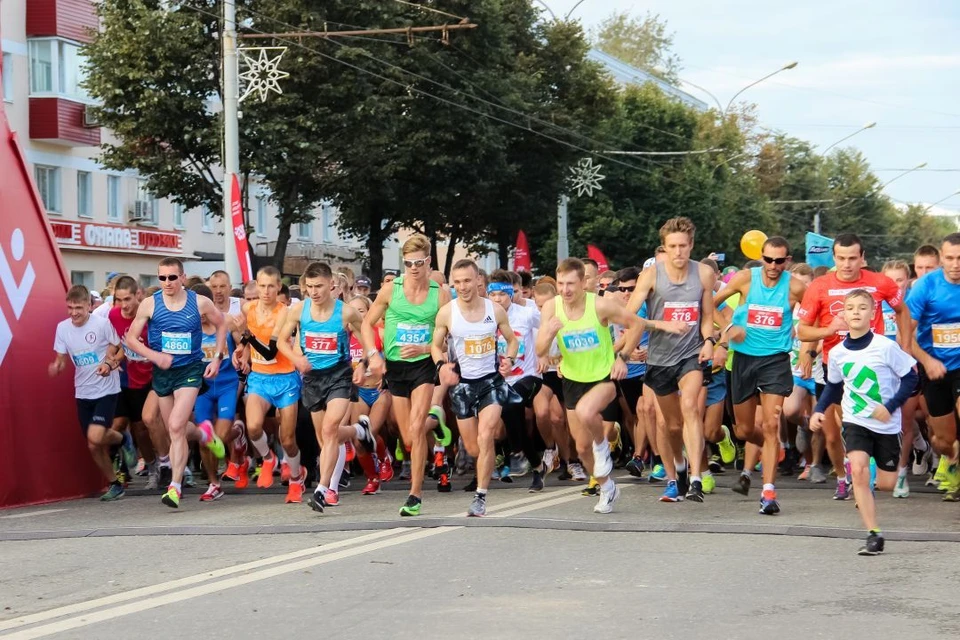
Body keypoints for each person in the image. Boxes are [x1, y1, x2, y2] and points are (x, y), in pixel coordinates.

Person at [797, 233, 911, 500]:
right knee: (836, 432)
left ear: (862, 258)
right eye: (841, 258)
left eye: (852, 258)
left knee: (860, 422)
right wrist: (829, 329)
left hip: (874, 366)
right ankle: (843, 474)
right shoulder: (819, 286)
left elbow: (902, 311)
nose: (847, 264)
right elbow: (802, 331)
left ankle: (863, 472)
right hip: (835, 365)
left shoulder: (880, 283)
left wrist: (903, 348)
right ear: (833, 257)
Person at [537, 258, 647, 514]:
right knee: (581, 447)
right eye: (561, 284)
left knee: (588, 413)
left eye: (571, 284)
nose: (565, 290)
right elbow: (540, 351)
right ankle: (608, 488)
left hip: (603, 377)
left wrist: (623, 356)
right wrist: (549, 334)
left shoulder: (599, 305)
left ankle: (602, 445)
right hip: (573, 380)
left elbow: (637, 324)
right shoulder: (552, 308)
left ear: (583, 283)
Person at [811, 289, 917, 555]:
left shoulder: (885, 347)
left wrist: (891, 406)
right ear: (843, 315)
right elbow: (833, 386)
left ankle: (870, 466)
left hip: (887, 425)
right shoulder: (836, 354)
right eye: (850, 308)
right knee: (857, 471)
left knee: (886, 485)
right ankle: (873, 534)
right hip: (856, 420)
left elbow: (912, 378)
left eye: (862, 308)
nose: (855, 312)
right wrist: (819, 409)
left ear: (873, 314)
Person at [715, 237, 810, 514]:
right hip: (743, 359)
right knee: (744, 430)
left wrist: (806, 347)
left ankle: (768, 492)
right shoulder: (745, 279)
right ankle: (770, 446)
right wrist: (729, 327)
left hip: (775, 361)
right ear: (761, 257)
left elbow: (815, 315)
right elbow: (712, 304)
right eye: (768, 259)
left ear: (787, 261)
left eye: (779, 261)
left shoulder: (795, 287)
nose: (772, 266)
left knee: (770, 424)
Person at [124, 258, 227, 508]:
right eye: (162, 278)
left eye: (172, 277)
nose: (167, 283)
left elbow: (221, 323)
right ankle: (204, 432)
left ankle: (175, 486)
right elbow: (131, 339)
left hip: (190, 369)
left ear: (182, 277)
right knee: (176, 431)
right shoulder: (150, 304)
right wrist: (155, 356)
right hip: (163, 372)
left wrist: (218, 357)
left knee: (176, 423)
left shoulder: (199, 302)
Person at [628, 216, 716, 503]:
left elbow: (707, 317)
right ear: (664, 248)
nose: (678, 252)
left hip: (690, 354)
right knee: (672, 424)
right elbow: (630, 316)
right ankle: (678, 467)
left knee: (690, 407)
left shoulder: (703, 274)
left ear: (691, 245)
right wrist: (660, 325)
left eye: (683, 246)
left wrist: (708, 341)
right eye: (672, 246)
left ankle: (695, 478)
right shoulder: (652, 275)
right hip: (660, 358)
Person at [362, 235, 452, 516]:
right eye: (408, 263)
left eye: (419, 262)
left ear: (428, 262)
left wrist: (426, 346)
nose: (413, 268)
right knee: (409, 438)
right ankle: (435, 422)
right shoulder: (391, 290)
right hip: (395, 368)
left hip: (424, 366)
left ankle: (415, 495)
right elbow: (366, 324)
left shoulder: (440, 294)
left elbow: (448, 340)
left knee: (414, 429)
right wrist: (374, 356)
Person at [276, 262, 375, 511]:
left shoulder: (346, 313)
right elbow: (280, 341)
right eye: (309, 287)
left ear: (331, 285)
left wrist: (363, 364)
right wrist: (297, 358)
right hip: (312, 379)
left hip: (339, 376)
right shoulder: (299, 310)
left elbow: (367, 340)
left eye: (319, 286)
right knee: (326, 437)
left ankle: (324, 489)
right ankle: (358, 432)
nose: (314, 292)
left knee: (330, 429)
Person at [432, 260, 519, 516]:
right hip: (462, 386)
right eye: (457, 282)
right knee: (472, 448)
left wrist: (510, 360)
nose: (462, 287)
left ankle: (480, 496)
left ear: (478, 281)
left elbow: (512, 341)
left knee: (485, 435)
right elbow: (436, 345)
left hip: (490, 381)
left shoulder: (495, 310)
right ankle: (495, 453)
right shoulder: (447, 312)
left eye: (467, 281)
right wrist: (441, 365)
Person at [50, 285, 135, 501]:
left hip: (106, 389)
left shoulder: (102, 324)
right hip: (83, 392)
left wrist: (110, 363)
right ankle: (115, 483)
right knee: (92, 444)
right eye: (70, 308)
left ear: (89, 306)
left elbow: (122, 347)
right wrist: (57, 365)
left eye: (78, 307)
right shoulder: (62, 328)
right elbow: (60, 357)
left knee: (95, 436)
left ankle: (122, 440)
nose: (74, 312)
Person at [233, 266, 303, 504]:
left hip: (285, 378)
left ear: (278, 288)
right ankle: (268, 458)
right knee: (253, 427)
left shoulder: (285, 313)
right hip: (260, 378)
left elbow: (270, 349)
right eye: (262, 286)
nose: (265, 291)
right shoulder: (248, 308)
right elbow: (249, 334)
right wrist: (241, 347)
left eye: (271, 286)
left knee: (288, 439)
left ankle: (295, 478)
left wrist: (247, 336)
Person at [906, 233, 960, 500]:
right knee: (943, 441)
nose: (956, 264)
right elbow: (906, 335)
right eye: (950, 258)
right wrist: (927, 361)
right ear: (941, 259)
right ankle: (951, 458)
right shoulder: (926, 287)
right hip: (934, 367)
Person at [108, 276, 166, 491]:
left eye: (128, 299)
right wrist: (112, 359)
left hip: (155, 375)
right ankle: (153, 468)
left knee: (153, 421)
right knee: (139, 430)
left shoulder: (151, 315)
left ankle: (170, 464)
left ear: (138, 295)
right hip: (130, 378)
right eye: (119, 299)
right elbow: (116, 342)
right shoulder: (113, 315)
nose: (124, 305)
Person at [191, 284, 244, 502]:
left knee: (219, 438)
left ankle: (237, 433)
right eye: (197, 311)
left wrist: (241, 353)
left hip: (226, 385)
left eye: (205, 310)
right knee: (205, 438)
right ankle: (214, 483)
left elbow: (244, 345)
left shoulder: (227, 321)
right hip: (202, 388)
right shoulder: (190, 328)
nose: (202, 316)